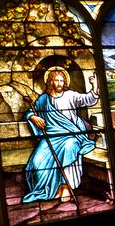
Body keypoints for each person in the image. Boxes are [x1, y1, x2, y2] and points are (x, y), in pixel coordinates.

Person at [23, 67, 99, 203]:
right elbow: (31, 111)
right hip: (52, 137)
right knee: (36, 162)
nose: (59, 83)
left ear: (65, 82)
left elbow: (89, 99)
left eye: (62, 81)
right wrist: (34, 117)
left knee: (69, 148)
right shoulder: (44, 99)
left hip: (72, 135)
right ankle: (52, 189)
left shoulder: (70, 95)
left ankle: (66, 187)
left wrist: (94, 86)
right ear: (50, 82)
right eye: (56, 80)